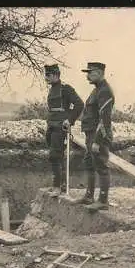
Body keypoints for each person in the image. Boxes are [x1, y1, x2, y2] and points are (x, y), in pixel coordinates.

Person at [75, 62, 115, 211]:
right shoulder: (97, 90)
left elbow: (105, 119)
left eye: (90, 73)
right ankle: (89, 196)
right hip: (90, 133)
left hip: (98, 135)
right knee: (89, 163)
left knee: (101, 165)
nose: (87, 76)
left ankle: (103, 200)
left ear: (99, 72)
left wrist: (98, 141)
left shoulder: (104, 91)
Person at [44, 64, 85, 195]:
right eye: (46, 75)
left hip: (60, 127)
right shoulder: (51, 90)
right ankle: (60, 184)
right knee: (55, 156)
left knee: (55, 156)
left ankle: (57, 187)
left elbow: (79, 104)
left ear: (56, 75)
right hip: (51, 126)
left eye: (48, 75)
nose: (46, 78)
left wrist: (70, 119)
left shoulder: (65, 89)